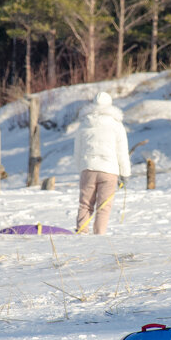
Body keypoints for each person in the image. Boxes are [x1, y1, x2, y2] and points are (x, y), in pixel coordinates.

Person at [73, 92, 131, 234]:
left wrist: (80, 168)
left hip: (88, 168)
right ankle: (99, 235)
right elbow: (122, 151)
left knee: (85, 204)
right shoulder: (116, 125)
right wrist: (125, 173)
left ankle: (81, 232)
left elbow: (77, 149)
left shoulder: (84, 124)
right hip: (109, 170)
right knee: (104, 206)